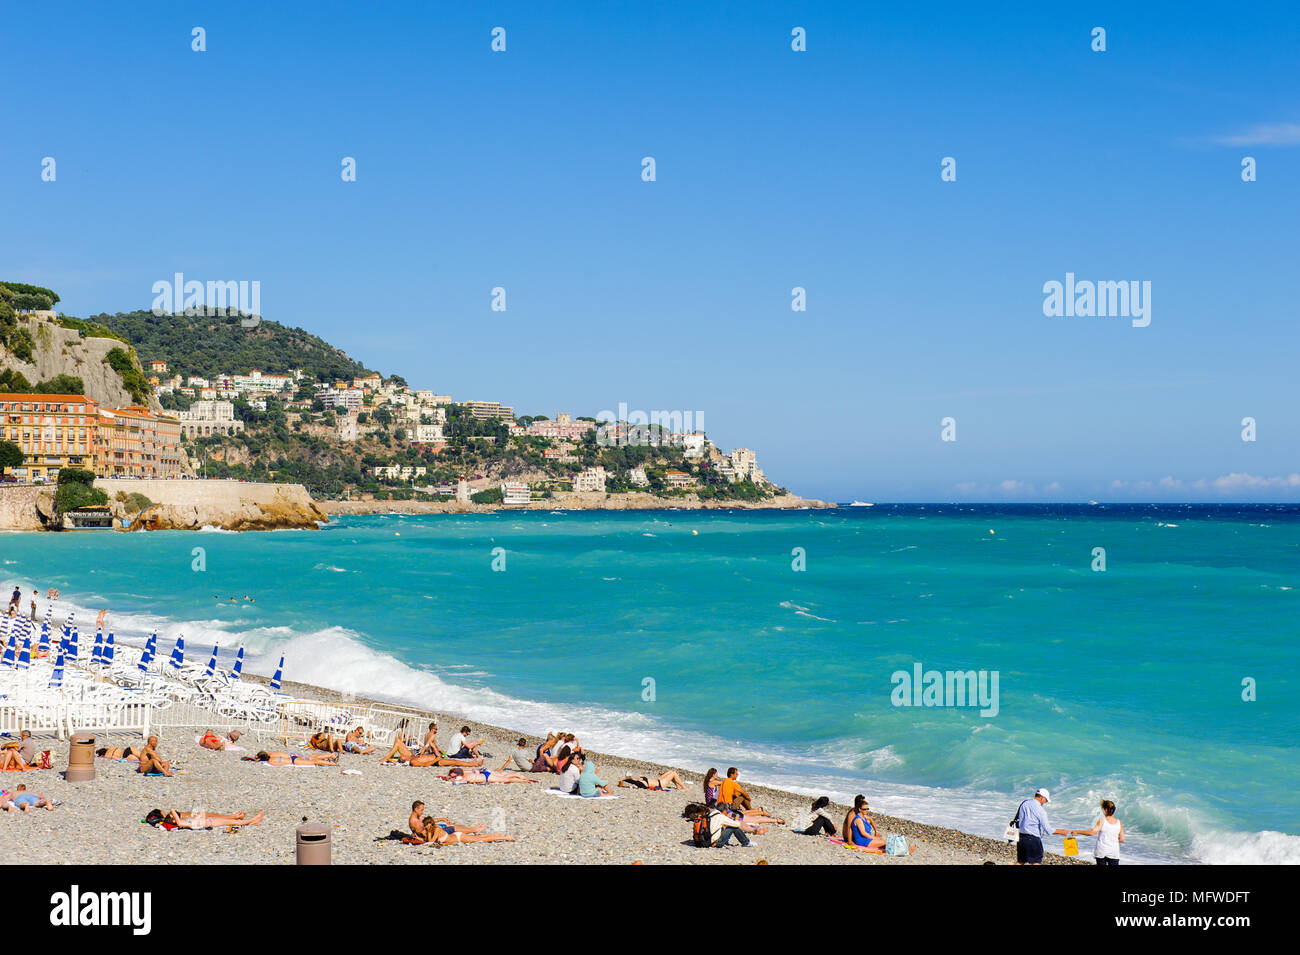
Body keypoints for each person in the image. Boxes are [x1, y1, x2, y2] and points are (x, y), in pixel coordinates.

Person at [1013, 788, 1069, 865]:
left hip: (1021, 837)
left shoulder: (1024, 803)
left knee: (1020, 861)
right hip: (1033, 839)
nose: (1045, 803)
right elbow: (1048, 830)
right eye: (1046, 800)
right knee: (1036, 861)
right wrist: (1061, 832)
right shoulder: (1040, 810)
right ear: (1042, 798)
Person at [1070, 799, 1125, 865]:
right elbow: (1122, 839)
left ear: (1106, 810)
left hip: (1102, 851)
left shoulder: (1102, 821)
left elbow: (1092, 832)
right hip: (1114, 852)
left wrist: (1077, 831)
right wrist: (1112, 840)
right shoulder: (1119, 823)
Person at [684, 802, 754, 848]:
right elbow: (737, 825)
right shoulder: (721, 817)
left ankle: (728, 840)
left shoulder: (710, 815)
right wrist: (736, 819)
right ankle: (746, 842)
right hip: (713, 843)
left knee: (723, 827)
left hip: (700, 842)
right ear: (724, 811)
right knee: (733, 828)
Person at [380, 737, 481, 768]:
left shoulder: (411, 757)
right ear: (405, 759)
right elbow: (425, 764)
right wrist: (436, 759)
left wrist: (390, 759)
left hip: (434, 756)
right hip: (436, 761)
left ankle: (473, 763)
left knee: (398, 741)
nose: (401, 755)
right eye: (402, 756)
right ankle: (473, 764)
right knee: (455, 762)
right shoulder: (413, 762)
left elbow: (395, 762)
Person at [146, 808, 263, 830]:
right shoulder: (179, 821)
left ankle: (252, 822)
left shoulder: (177, 821)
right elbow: (173, 812)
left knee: (230, 821)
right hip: (207, 822)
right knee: (232, 822)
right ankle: (251, 820)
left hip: (205, 822)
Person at [445, 768, 538, 785]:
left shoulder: (465, 777)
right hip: (485, 775)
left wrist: (450, 779)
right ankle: (518, 776)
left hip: (486, 778)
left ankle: (525, 781)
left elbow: (457, 782)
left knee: (506, 780)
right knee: (504, 777)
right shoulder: (466, 773)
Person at [618, 769, 687, 792]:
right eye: (629, 777)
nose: (631, 776)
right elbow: (625, 783)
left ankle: (678, 786)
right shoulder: (640, 784)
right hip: (660, 784)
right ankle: (684, 787)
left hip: (658, 780)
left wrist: (636, 778)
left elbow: (631, 780)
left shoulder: (637, 780)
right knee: (673, 774)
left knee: (671, 771)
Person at [251, 750, 337, 767]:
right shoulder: (271, 753)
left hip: (293, 760)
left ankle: (331, 763)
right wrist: (257, 757)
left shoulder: (271, 761)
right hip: (292, 754)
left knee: (313, 761)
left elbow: (281, 764)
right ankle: (330, 755)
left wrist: (258, 760)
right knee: (310, 757)